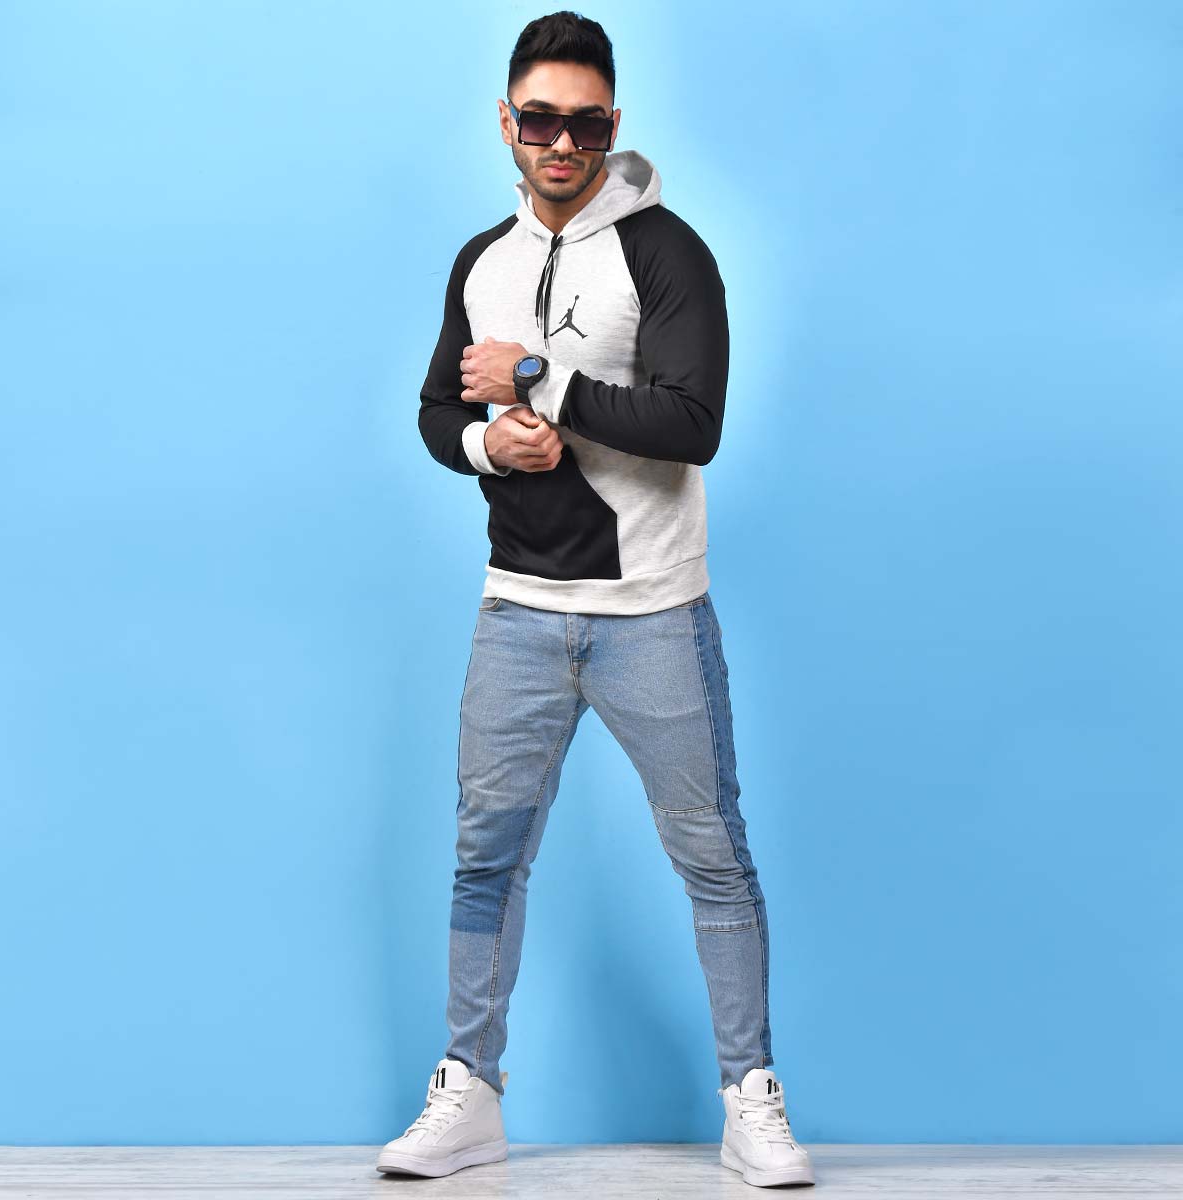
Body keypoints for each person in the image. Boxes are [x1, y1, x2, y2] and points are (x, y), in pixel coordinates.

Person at [375, 11, 815, 1190]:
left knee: (712, 858)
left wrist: (539, 378)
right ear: (506, 124)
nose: (560, 143)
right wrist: (489, 444)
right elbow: (437, 413)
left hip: (652, 610)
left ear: (612, 126)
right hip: (516, 609)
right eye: (539, 120)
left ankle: (750, 1097)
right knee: (485, 858)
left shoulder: (668, 252)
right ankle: (469, 1092)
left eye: (583, 123)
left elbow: (693, 423)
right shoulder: (481, 261)